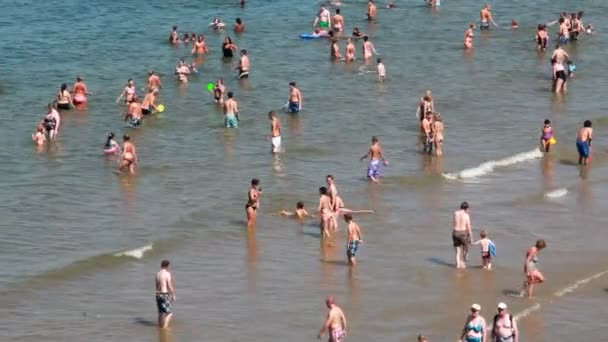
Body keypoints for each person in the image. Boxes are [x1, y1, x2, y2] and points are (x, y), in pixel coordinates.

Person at [155, 260, 175, 329]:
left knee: (160, 313)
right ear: (167, 266)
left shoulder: (157, 273)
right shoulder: (167, 274)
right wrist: (173, 295)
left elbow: (157, 286)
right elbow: (169, 285)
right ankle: (164, 328)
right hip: (164, 295)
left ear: (161, 265)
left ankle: (159, 326)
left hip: (158, 295)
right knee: (169, 313)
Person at [453, 202, 473, 269]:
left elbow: (454, 223)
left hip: (455, 232)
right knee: (466, 250)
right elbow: (469, 228)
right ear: (466, 208)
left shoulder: (455, 213)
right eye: (468, 209)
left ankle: (458, 265)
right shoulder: (466, 215)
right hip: (463, 233)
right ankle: (463, 263)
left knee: (458, 252)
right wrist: (471, 239)